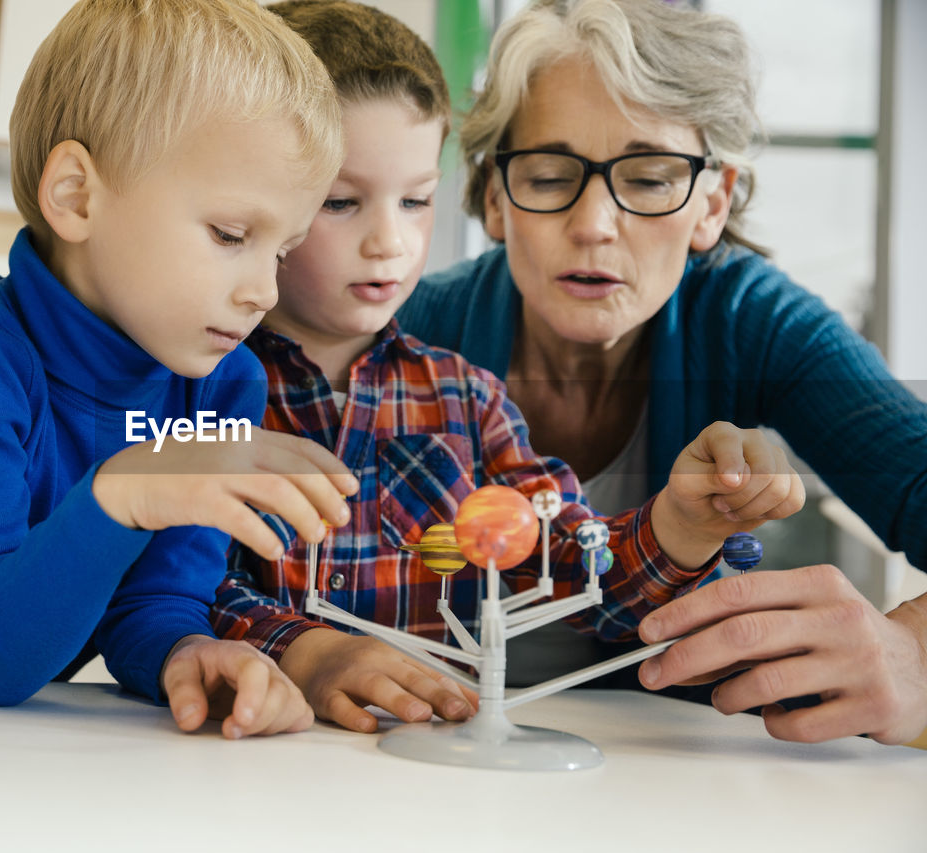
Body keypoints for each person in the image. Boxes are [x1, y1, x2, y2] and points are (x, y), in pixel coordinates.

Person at [212, 0, 803, 735]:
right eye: (340, 201)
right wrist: (304, 649)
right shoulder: (194, 385)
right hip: (246, 763)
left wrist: (680, 523)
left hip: (433, 772)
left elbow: (568, 566)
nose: (390, 242)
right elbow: (164, 591)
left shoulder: (466, 396)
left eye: (417, 200)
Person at [395, 0, 927, 744]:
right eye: (548, 176)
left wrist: (917, 660)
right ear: (493, 195)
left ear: (711, 203)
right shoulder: (405, 329)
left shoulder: (751, 320)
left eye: (648, 180)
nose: (594, 223)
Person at [0, 0, 357, 739]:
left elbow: (154, 601)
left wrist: (185, 650)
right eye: (230, 234)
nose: (265, 292)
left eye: (280, 250)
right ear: (76, 196)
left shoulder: (224, 383)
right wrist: (125, 491)